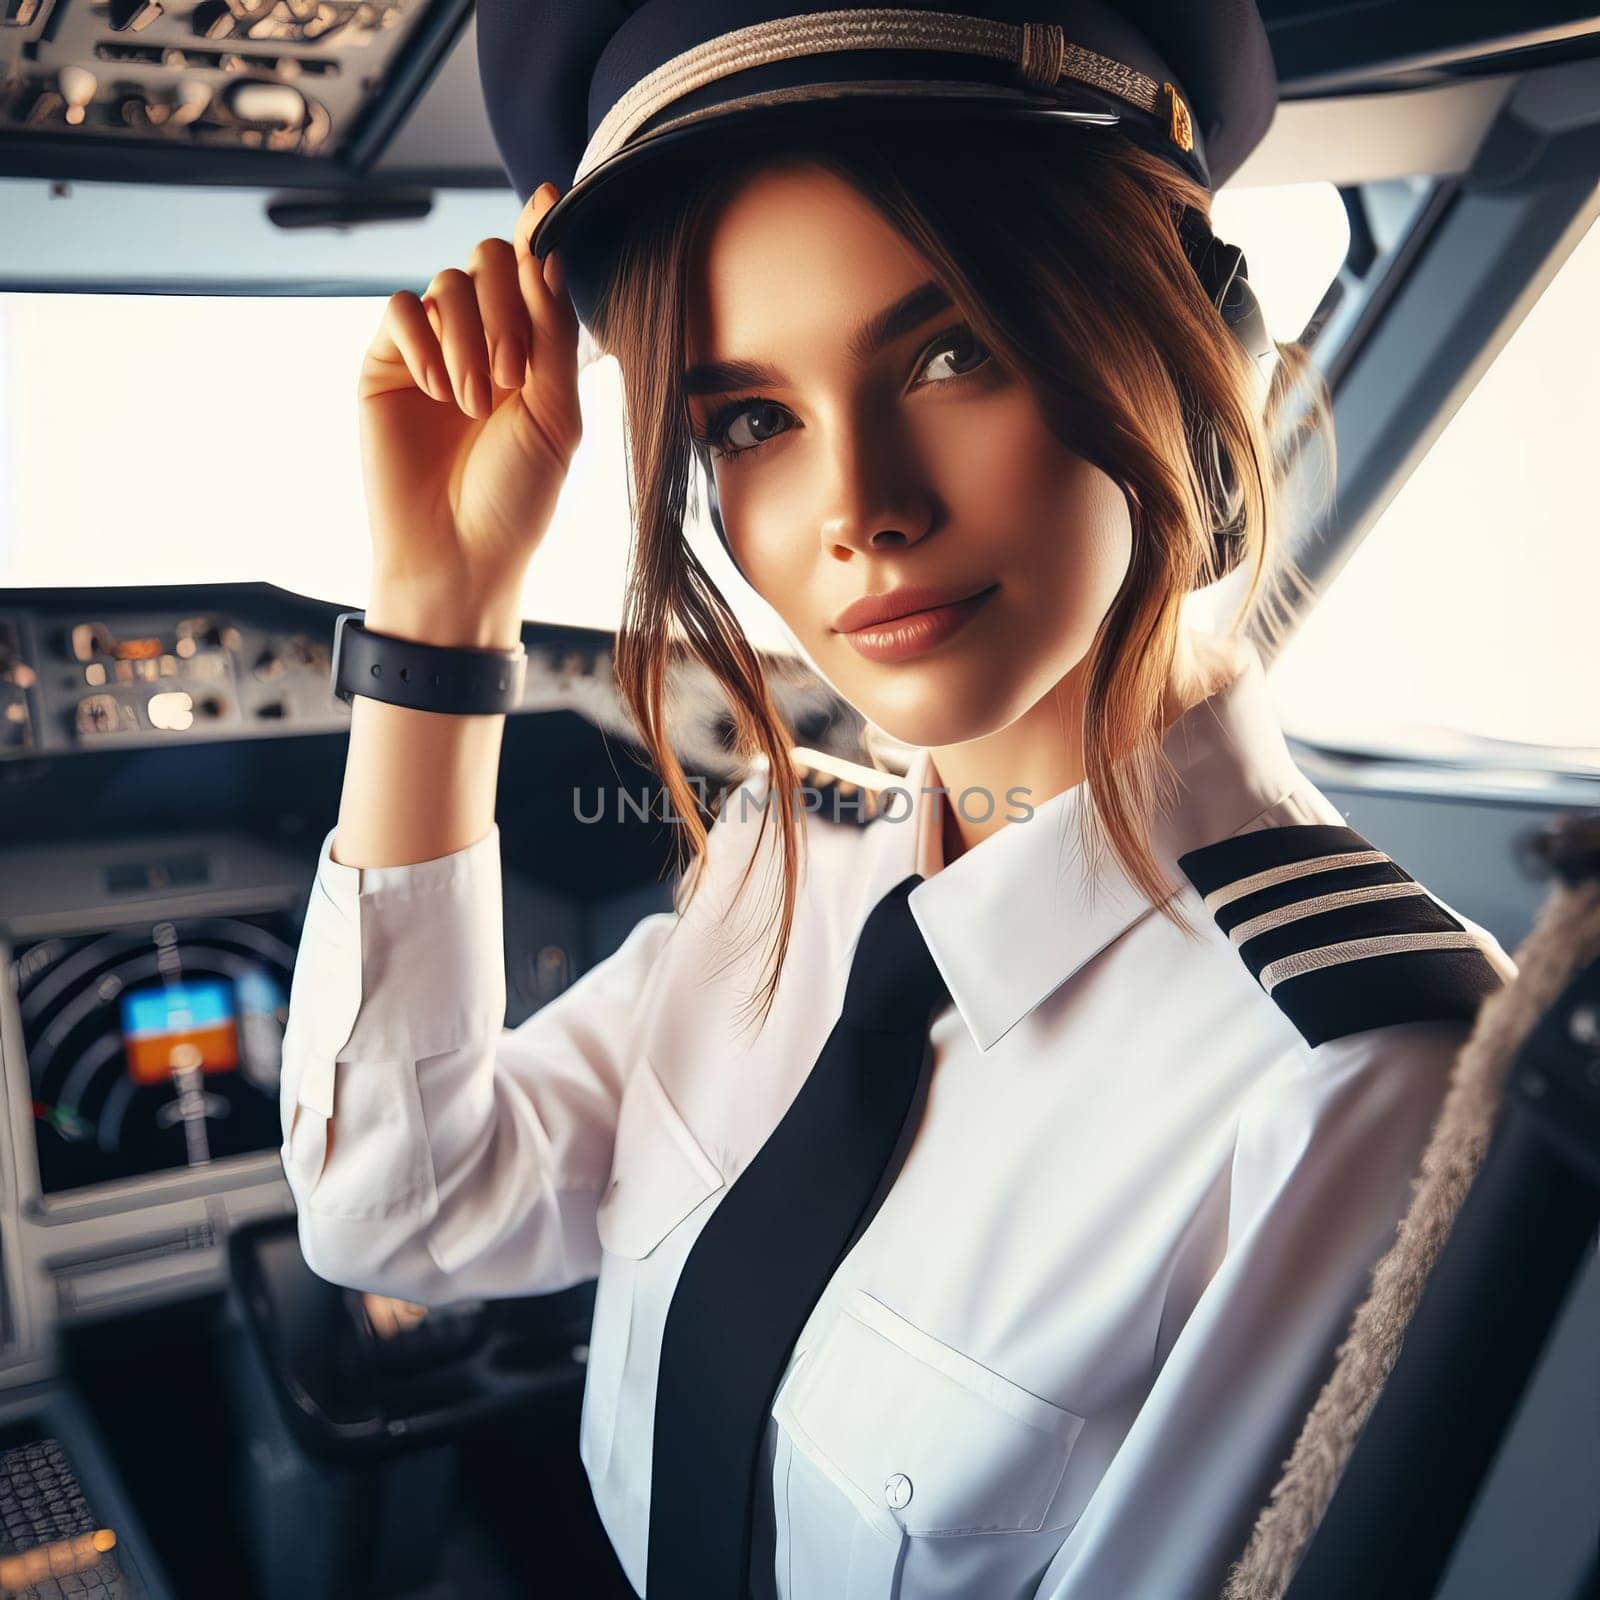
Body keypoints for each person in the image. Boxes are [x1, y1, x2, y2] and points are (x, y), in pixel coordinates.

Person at [278, 4, 1518, 1596]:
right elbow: (401, 1210)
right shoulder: (783, 869)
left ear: (1192, 356)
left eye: (954, 352)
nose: (860, 508)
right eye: (752, 419)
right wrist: (438, 612)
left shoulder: (1351, 1082)